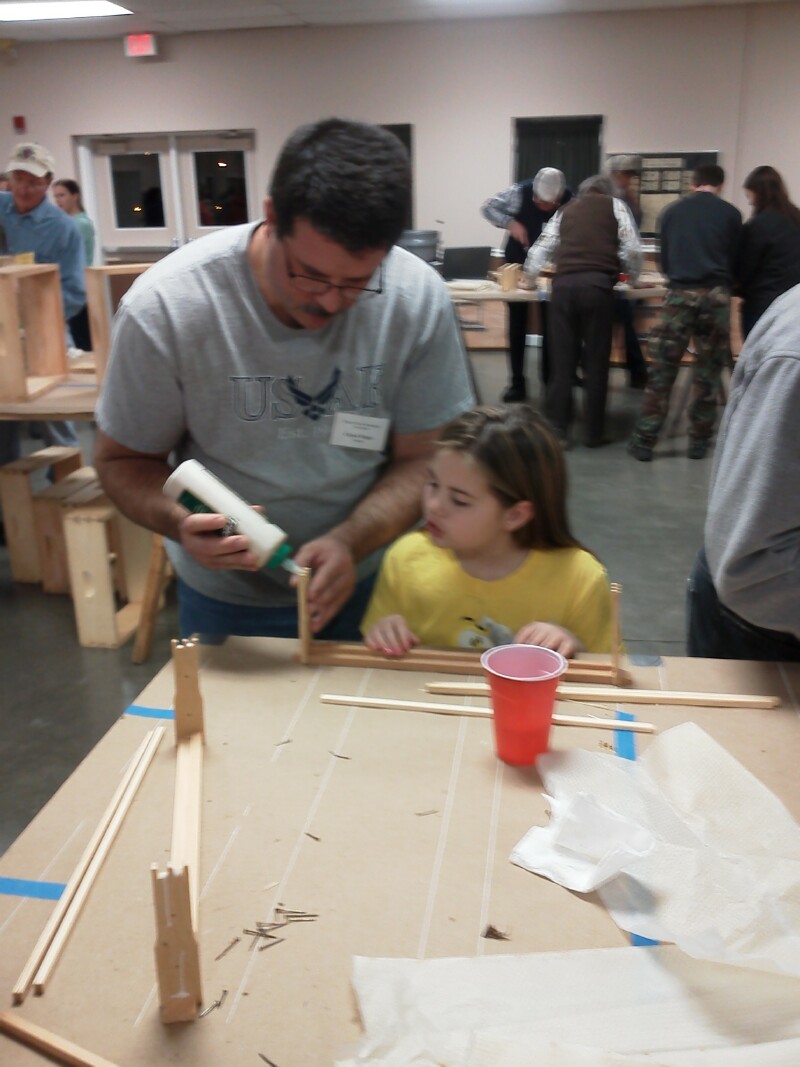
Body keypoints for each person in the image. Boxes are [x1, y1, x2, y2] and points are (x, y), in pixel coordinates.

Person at [94, 118, 475, 642]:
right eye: (310, 275)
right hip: (225, 601)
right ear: (272, 217)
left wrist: (350, 541)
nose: (331, 302)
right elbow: (121, 462)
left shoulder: (415, 298)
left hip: (371, 585)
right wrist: (178, 521)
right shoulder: (168, 308)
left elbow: (426, 458)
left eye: (357, 283)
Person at [361, 405, 614, 658]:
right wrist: (383, 633)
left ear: (515, 515)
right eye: (433, 484)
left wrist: (573, 646)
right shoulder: (405, 558)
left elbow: (608, 668)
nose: (434, 505)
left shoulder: (580, 580)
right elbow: (372, 655)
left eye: (459, 500)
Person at [686, 282, 800, 662]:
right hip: (762, 627)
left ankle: (689, 438)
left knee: (701, 380)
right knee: (701, 380)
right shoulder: (793, 353)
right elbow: (752, 567)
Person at [628, 164, 742, 462]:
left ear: (693, 183)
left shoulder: (671, 212)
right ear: (720, 184)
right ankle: (699, 441)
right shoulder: (731, 214)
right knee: (708, 371)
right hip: (716, 297)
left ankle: (644, 440)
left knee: (663, 370)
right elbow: (734, 259)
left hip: (679, 295)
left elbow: (664, 259)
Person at [524, 174, 642, 448]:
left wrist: (529, 280)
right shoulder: (615, 206)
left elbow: (540, 250)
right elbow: (632, 250)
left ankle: (559, 430)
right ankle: (593, 433)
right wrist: (634, 279)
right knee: (596, 362)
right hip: (597, 289)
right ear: (609, 192)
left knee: (562, 362)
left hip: (563, 289)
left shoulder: (565, 210)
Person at [0, 142, 84, 466]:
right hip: (2, 335)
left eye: (33, 182)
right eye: (18, 179)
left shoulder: (64, 229)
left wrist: (33, 315)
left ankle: (68, 483)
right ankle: (7, 490)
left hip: (44, 336)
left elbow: (74, 292)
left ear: (48, 182)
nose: (23, 189)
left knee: (55, 419)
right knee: (3, 416)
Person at [480, 168, 571, 401]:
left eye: (546, 204)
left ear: (558, 199)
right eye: (537, 200)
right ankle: (517, 383)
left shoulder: (571, 200)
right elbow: (488, 207)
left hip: (552, 270)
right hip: (517, 265)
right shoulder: (519, 193)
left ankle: (550, 381)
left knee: (552, 326)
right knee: (517, 323)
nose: (540, 205)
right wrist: (510, 222)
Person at [735, 165, 800, 338]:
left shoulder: (758, 225)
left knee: (758, 352)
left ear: (759, 193)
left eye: (749, 196)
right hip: (794, 303)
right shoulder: (796, 218)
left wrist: (736, 287)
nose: (750, 201)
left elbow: (745, 268)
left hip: (763, 305)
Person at [605, 154, 648, 388]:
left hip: (617, 270)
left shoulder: (625, 200)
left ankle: (635, 370)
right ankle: (637, 370)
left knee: (614, 322)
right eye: (626, 175)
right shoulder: (616, 200)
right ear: (615, 174)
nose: (629, 180)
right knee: (619, 322)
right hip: (614, 269)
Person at [52, 177, 95, 352]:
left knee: (82, 339)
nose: (58, 200)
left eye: (62, 195)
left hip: (77, 286)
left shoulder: (80, 223)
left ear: (74, 196)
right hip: (66, 286)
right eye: (55, 196)